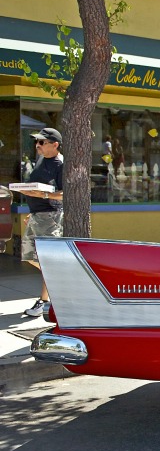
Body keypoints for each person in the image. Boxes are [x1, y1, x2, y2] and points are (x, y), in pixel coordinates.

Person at [21, 127, 64, 317]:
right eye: (37, 142)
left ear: (55, 145)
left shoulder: (61, 164)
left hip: (51, 217)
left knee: (46, 260)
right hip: (36, 215)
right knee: (30, 256)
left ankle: (44, 301)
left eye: (41, 142)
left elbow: (66, 194)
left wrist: (42, 195)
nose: (37, 145)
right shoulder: (40, 160)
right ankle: (57, 284)